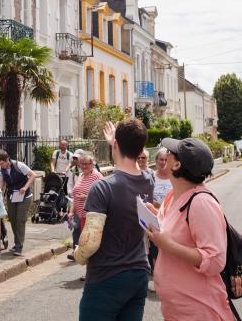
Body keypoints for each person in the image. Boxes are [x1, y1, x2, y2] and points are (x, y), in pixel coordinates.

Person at [74, 119, 154, 321]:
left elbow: (90, 242)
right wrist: (117, 143)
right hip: (138, 273)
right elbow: (131, 166)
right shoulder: (148, 181)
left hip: (106, 277)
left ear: (116, 145)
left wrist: (78, 255)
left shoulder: (103, 187)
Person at [146, 138, 234, 320]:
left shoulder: (201, 202)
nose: (164, 156)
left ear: (177, 165)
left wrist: (168, 245)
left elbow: (216, 260)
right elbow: (173, 227)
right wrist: (153, 215)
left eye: (169, 153)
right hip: (177, 309)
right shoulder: (173, 195)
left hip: (199, 309)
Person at [0, 150, 36, 256]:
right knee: (13, 219)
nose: (1, 166)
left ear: (7, 160)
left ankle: (19, 246)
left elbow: (32, 175)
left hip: (25, 196)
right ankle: (17, 243)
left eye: (1, 164)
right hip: (12, 196)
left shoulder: (19, 165)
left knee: (20, 220)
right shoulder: (2, 170)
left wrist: (25, 187)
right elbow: (1, 183)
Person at [67, 151, 102, 264]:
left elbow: (102, 196)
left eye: (87, 163)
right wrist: (72, 211)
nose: (84, 166)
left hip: (91, 216)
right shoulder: (81, 175)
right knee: (84, 243)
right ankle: (88, 269)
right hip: (80, 215)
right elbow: (76, 196)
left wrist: (86, 197)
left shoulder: (97, 176)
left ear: (92, 164)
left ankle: (91, 271)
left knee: (89, 244)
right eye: (82, 163)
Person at [148, 147, 172, 291]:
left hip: (171, 219)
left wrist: (162, 204)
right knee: (155, 251)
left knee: (168, 250)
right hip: (154, 218)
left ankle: (169, 280)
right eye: (160, 159)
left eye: (165, 160)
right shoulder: (151, 177)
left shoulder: (174, 177)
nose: (163, 162)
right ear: (155, 161)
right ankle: (158, 282)